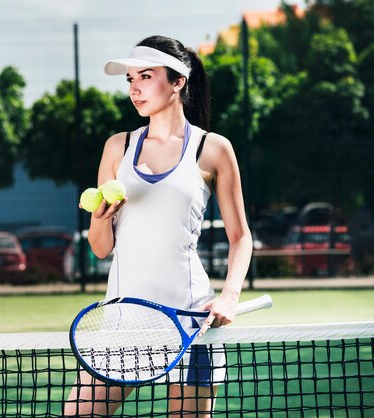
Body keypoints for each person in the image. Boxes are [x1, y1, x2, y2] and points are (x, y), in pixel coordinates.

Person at [64, 35, 253, 417]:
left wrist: (230, 295)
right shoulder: (117, 147)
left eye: (146, 77)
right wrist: (99, 220)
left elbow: (240, 237)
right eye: (130, 79)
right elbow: (101, 248)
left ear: (179, 81)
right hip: (122, 323)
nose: (135, 89)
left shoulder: (213, 149)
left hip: (190, 324)